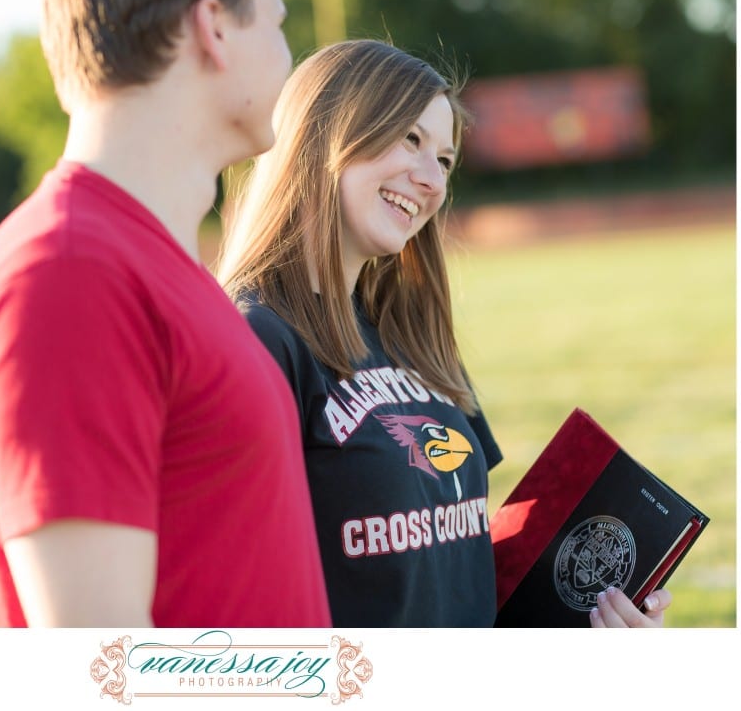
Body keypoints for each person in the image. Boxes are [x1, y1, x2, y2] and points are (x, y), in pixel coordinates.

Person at [217, 39, 670, 628]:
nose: (432, 179)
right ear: (327, 130)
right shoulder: (255, 340)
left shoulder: (412, 336)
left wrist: (589, 618)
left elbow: (456, 572)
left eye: (447, 160)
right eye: (411, 139)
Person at [0, 0, 330, 628]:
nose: (288, 56)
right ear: (213, 27)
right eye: (277, 23)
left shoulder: (148, 262)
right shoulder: (70, 274)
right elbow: (99, 664)